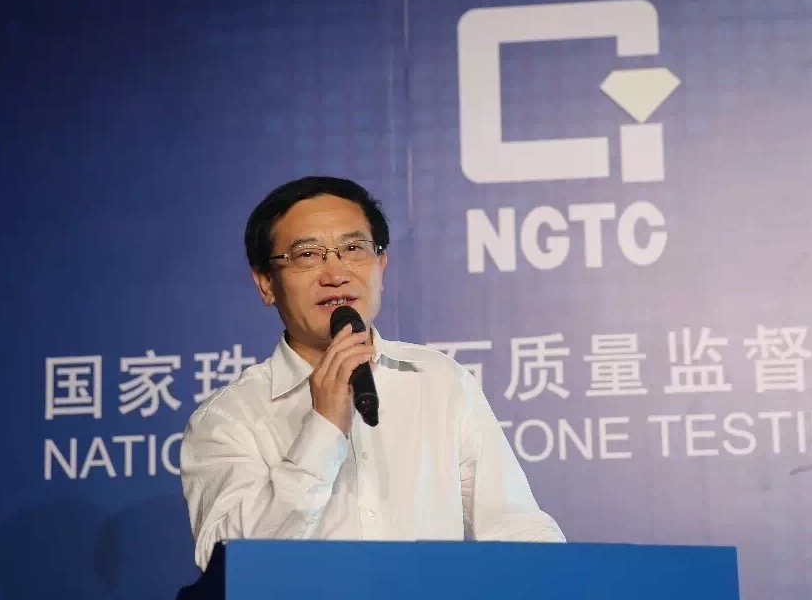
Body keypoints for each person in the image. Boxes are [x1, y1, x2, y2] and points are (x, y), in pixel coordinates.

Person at [179, 176, 565, 571]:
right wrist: (322, 430)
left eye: (353, 249)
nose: (335, 274)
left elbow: (517, 529)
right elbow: (228, 564)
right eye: (308, 255)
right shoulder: (229, 418)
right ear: (266, 284)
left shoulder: (438, 381)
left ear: (381, 264)